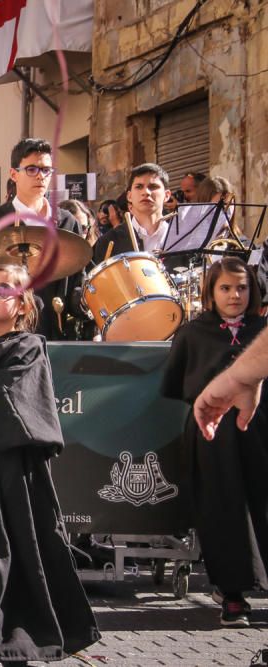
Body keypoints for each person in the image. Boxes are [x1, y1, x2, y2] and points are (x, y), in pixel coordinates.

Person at [0, 264, 99, 663]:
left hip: (11, 465)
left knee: (17, 547)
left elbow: (13, 396)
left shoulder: (28, 345)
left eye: (4, 289)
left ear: (23, 305)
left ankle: (15, 633)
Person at [163, 258, 267, 626]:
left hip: (261, 428)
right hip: (213, 436)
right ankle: (232, 594)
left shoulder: (263, 328)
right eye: (225, 288)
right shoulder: (193, 332)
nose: (235, 295)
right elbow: (177, 383)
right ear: (210, 292)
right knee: (221, 508)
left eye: (242, 288)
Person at [0, 138, 83, 340]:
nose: (40, 176)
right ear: (14, 174)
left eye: (46, 170)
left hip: (54, 332)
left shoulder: (66, 222)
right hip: (0, 337)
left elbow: (77, 278)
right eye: (32, 169)